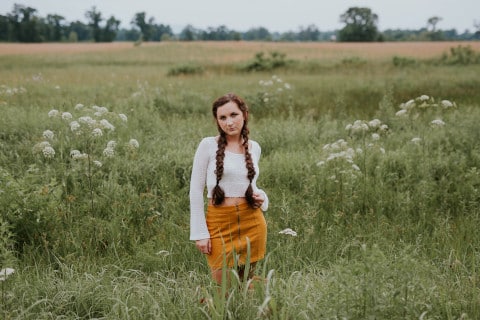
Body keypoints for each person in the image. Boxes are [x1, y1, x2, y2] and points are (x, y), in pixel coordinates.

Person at [189, 93, 268, 285]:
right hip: (219, 222)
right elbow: (195, 190)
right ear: (217, 121)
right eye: (222, 118)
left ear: (245, 115)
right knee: (221, 288)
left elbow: (251, 184)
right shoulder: (208, 145)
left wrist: (262, 198)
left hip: (252, 222)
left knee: (247, 284)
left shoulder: (254, 147)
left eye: (234, 115)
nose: (229, 122)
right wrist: (200, 233)